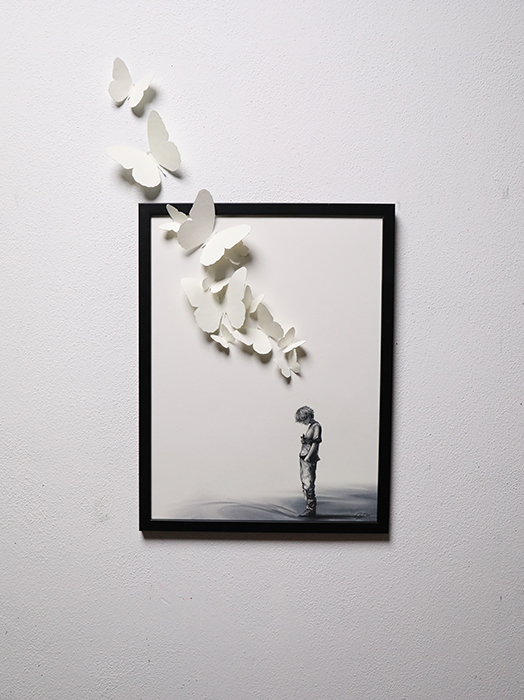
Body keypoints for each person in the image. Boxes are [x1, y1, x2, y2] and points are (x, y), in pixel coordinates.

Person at [295, 406, 322, 517]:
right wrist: (304, 440)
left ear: (308, 416)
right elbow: (310, 442)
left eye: (303, 420)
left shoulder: (316, 426)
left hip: (308, 458)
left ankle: (311, 508)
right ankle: (309, 507)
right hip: (304, 457)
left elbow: (315, 443)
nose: (303, 422)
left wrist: (308, 457)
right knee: (305, 482)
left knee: (308, 483)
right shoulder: (311, 426)